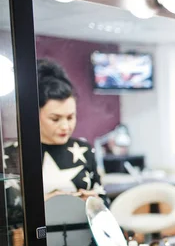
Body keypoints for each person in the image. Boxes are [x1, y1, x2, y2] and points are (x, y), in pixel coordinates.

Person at [4, 59, 106, 204]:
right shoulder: (11, 155)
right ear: (33, 115)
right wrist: (44, 204)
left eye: (70, 117)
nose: (65, 126)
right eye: (55, 119)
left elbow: (104, 200)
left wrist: (94, 201)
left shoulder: (84, 150)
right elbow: (7, 213)